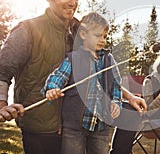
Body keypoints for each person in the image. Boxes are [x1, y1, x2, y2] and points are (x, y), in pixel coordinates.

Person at [0, 0, 147, 154]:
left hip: (76, 121)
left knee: (130, 114)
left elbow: (97, 70)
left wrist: (130, 96)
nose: (72, 3)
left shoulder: (81, 30)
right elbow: (3, 70)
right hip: (43, 126)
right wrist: (2, 105)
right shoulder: (27, 30)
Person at [41, 12, 121, 154]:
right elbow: (59, 76)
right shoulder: (74, 58)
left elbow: (116, 85)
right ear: (83, 35)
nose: (102, 40)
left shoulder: (109, 60)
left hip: (101, 127)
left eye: (105, 36)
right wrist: (52, 88)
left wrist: (116, 101)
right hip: (74, 127)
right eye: (98, 35)